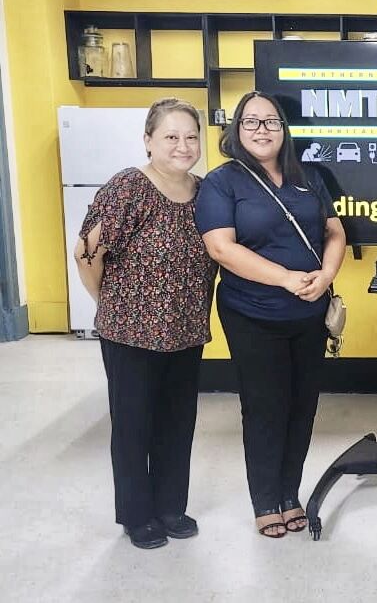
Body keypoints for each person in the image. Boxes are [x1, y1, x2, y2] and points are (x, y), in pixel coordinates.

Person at [195, 91, 346, 538]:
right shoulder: (223, 182)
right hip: (252, 314)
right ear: (237, 129)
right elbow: (221, 248)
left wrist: (325, 274)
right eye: (251, 121)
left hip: (309, 314)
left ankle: (289, 494)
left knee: (302, 407)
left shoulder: (311, 177)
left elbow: (335, 233)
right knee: (265, 408)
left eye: (271, 121)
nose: (262, 130)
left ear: (284, 128)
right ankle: (265, 500)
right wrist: (284, 278)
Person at [74, 97, 217, 549]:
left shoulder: (205, 192)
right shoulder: (129, 187)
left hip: (186, 331)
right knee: (134, 425)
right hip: (129, 333)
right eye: (171, 136)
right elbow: (86, 253)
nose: (183, 145)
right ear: (149, 140)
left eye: (191, 136)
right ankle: (137, 515)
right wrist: (109, 304)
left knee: (177, 422)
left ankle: (171, 506)